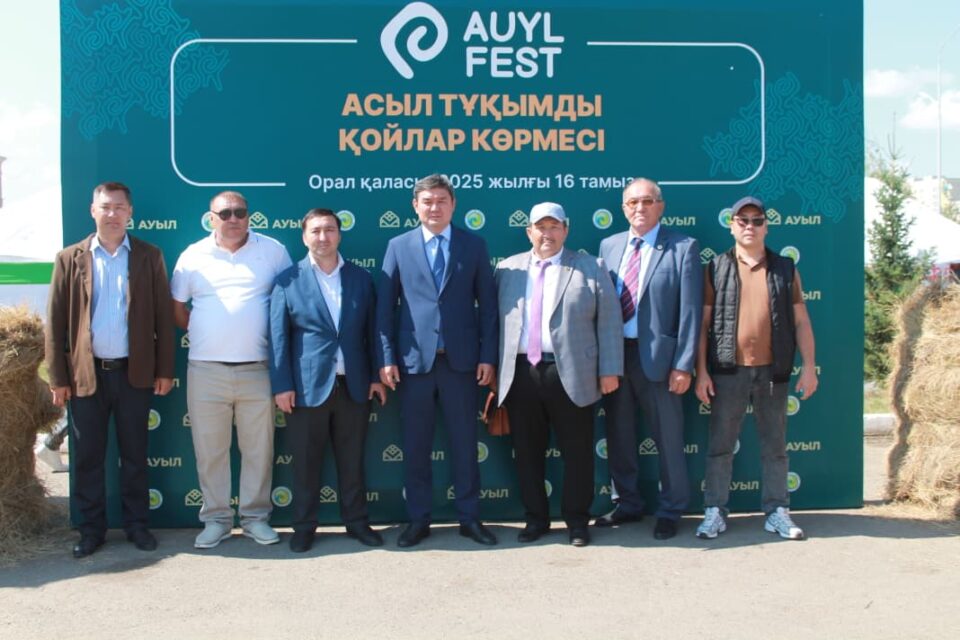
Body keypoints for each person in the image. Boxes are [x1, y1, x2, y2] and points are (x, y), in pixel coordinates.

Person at [45, 181, 174, 558]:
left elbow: (163, 319)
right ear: (93, 211)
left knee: (134, 455)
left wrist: (164, 369)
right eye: (105, 207)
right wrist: (58, 377)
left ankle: (137, 526)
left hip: (135, 374)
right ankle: (91, 531)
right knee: (87, 458)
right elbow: (55, 322)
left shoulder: (149, 256)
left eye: (119, 207)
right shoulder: (69, 258)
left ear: (130, 212)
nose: (112, 214)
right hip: (86, 377)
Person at [376, 173, 499, 547]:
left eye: (442, 200)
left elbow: (488, 308)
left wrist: (488, 356)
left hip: (462, 364)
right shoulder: (398, 246)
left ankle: (470, 518)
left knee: (465, 445)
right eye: (427, 201)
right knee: (416, 447)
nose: (434, 207)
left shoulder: (473, 245)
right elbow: (385, 309)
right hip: (413, 365)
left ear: (453, 205)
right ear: (415, 206)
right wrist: (386, 358)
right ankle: (418, 520)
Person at [495, 203, 622, 547]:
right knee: (527, 453)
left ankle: (577, 522)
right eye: (541, 227)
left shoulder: (591, 266)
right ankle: (535, 520)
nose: (547, 234)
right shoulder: (506, 269)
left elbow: (609, 322)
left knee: (577, 453)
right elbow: (494, 324)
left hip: (574, 373)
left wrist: (610, 369)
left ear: (566, 230)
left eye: (554, 227)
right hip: (521, 374)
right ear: (529, 232)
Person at [171, 191, 292, 549]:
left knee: (259, 450)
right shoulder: (192, 255)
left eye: (240, 212)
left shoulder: (273, 251)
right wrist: (209, 331)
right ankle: (217, 520)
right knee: (210, 452)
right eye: (225, 213)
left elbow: (290, 301)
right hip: (206, 370)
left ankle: (255, 519)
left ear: (249, 215)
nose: (234, 219)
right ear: (212, 218)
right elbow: (177, 309)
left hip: (258, 369)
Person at [694, 196, 818, 540]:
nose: (750, 226)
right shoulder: (715, 267)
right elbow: (703, 325)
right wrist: (701, 372)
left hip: (773, 372)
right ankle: (715, 511)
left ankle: (777, 511)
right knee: (720, 446)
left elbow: (801, 321)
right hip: (727, 371)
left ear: (766, 226)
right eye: (743, 220)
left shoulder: (785, 268)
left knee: (775, 447)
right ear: (732, 225)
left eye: (757, 220)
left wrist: (809, 367)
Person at [269, 208, 387, 553]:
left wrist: (376, 376)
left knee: (352, 461)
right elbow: (278, 338)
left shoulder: (360, 278)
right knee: (305, 464)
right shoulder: (287, 280)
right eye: (316, 231)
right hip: (305, 389)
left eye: (330, 230)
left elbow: (373, 331)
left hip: (354, 385)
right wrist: (282, 385)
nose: (323, 237)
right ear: (304, 236)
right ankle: (304, 527)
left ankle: (357, 523)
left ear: (339, 234)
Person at [597, 178, 703, 540]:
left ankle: (671, 509)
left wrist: (684, 364)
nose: (639, 208)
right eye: (632, 202)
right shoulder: (609, 246)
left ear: (660, 206)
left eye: (647, 201)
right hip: (617, 357)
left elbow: (690, 313)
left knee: (668, 439)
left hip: (661, 360)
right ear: (623, 208)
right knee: (619, 435)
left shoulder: (683, 247)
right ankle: (627, 503)